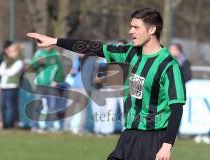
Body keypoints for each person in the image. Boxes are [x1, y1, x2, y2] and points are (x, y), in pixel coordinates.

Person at [27, 7, 186, 160]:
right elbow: (94, 48)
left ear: (152, 30)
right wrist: (55, 41)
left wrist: (167, 145)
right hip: (128, 135)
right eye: (131, 27)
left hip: (152, 139)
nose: (130, 31)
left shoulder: (168, 65)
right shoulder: (129, 53)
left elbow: (177, 107)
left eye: (136, 27)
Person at [30, 46, 65, 132]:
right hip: (40, 84)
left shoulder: (56, 54)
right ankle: (34, 125)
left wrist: (56, 80)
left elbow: (60, 69)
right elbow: (32, 66)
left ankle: (50, 126)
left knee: (52, 106)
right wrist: (38, 62)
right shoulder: (39, 53)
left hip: (51, 85)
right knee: (36, 105)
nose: (47, 46)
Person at [0, 43, 24, 129]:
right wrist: (6, 71)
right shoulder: (6, 61)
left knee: (11, 107)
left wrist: (6, 71)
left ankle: (10, 125)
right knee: (2, 106)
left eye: (11, 51)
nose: (9, 53)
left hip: (12, 87)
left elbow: (11, 73)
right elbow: (0, 71)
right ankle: (4, 124)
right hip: (3, 86)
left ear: (16, 51)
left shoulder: (19, 61)